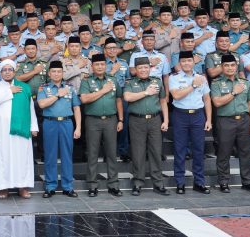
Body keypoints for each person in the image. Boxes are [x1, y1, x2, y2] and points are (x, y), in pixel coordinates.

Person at [211, 55, 250, 193]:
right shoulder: (216, 83)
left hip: (244, 120)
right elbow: (217, 102)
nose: (230, 68)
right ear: (222, 67)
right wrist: (234, 92)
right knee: (224, 152)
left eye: (232, 65)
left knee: (245, 152)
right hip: (225, 121)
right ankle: (223, 182)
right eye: (226, 65)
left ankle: (248, 181)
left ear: (236, 66)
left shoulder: (245, 83)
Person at [0, 59, 38, 199]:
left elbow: (30, 108)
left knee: (22, 158)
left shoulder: (24, 87)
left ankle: (23, 187)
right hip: (3, 131)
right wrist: (9, 91)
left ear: (14, 72)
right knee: (3, 158)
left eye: (9, 69)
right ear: (1, 73)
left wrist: (34, 126)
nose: (7, 72)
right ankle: (3, 187)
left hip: (21, 129)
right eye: (4, 70)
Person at [123, 57, 169, 196]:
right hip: (137, 120)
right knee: (138, 152)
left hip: (155, 120)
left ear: (150, 68)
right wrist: (146, 93)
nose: (143, 70)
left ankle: (158, 183)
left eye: (146, 67)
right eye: (140, 68)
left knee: (156, 151)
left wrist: (166, 120)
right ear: (136, 70)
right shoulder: (130, 82)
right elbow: (127, 97)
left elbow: (163, 101)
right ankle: (138, 183)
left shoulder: (157, 81)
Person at [79, 54, 123, 197]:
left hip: (111, 120)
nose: (99, 67)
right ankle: (92, 185)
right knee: (92, 154)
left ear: (105, 66)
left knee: (112, 153)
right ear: (92, 66)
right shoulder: (86, 81)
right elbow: (84, 99)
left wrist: (121, 119)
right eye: (97, 64)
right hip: (93, 120)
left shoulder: (113, 80)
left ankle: (113, 185)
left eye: (102, 64)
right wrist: (103, 90)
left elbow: (118, 100)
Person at [168, 51, 212, 195]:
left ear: (194, 62)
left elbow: (207, 99)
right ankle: (180, 183)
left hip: (198, 115)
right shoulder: (174, 77)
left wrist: (209, 119)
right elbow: (176, 95)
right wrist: (193, 85)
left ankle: (199, 182)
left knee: (199, 150)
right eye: (183, 61)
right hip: (180, 115)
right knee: (179, 150)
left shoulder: (201, 78)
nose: (186, 63)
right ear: (180, 63)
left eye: (189, 61)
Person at [36, 61, 81, 198]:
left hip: (66, 123)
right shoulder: (43, 88)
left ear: (62, 73)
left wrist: (78, 127)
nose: (56, 74)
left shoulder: (70, 88)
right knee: (50, 155)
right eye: (53, 71)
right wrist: (57, 95)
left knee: (67, 155)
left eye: (59, 71)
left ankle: (68, 186)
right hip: (50, 123)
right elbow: (42, 104)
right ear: (49, 74)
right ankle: (50, 186)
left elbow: (76, 107)